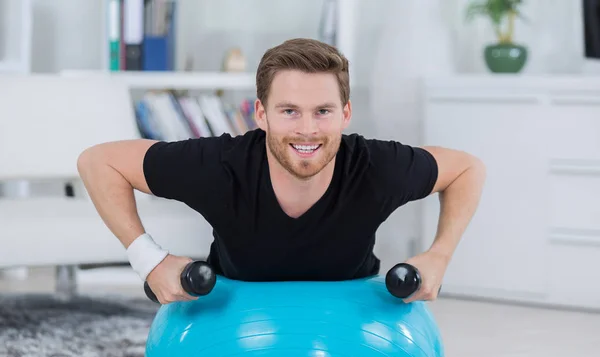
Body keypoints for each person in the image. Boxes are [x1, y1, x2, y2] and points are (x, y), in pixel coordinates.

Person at [77, 38, 486, 305]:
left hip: (347, 325)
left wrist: (439, 255)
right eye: (289, 111)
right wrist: (149, 260)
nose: (307, 129)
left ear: (345, 114)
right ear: (261, 114)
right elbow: (99, 161)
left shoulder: (376, 167)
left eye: (322, 111)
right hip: (237, 325)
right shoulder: (221, 165)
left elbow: (467, 169)